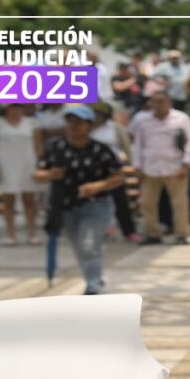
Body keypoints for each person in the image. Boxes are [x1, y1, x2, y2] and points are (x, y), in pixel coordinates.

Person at [35, 106, 125, 295]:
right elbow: (38, 173)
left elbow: (119, 176)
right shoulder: (56, 148)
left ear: (89, 125)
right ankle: (93, 277)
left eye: (79, 122)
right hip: (66, 207)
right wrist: (51, 174)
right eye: (70, 121)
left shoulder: (101, 150)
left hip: (96, 206)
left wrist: (98, 186)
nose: (74, 126)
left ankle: (93, 286)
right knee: (80, 248)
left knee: (89, 245)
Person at [131, 90, 190, 244]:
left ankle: (181, 234)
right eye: (155, 102)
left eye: (161, 102)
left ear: (169, 103)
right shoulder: (142, 120)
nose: (158, 105)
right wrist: (137, 165)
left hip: (175, 167)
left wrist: (186, 164)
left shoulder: (181, 118)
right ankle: (152, 233)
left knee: (179, 203)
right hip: (150, 167)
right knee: (147, 203)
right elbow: (138, 144)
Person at [0, 104, 42, 246]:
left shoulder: (32, 123)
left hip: (27, 164)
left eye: (18, 106)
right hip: (6, 164)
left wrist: (39, 166)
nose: (16, 109)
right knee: (8, 201)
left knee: (29, 200)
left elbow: (38, 147)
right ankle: (10, 235)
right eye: (13, 106)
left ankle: (32, 233)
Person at [89, 101, 140, 243]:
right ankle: (101, 231)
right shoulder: (87, 128)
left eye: (99, 115)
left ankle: (129, 231)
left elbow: (126, 147)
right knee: (95, 203)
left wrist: (133, 165)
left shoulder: (115, 128)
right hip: (92, 170)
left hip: (113, 169)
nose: (96, 118)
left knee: (120, 202)